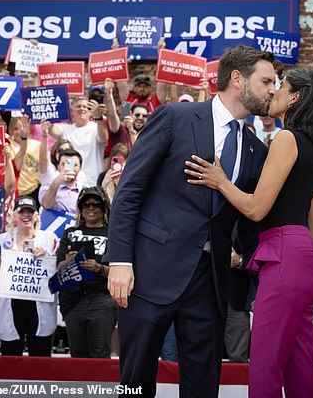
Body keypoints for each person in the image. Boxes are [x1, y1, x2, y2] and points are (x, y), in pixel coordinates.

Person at [105, 45, 274, 398]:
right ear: (238, 79)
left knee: (202, 386)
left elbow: (247, 223)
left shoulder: (257, 150)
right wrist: (120, 261)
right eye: (267, 81)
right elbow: (129, 192)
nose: (273, 89)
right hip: (149, 274)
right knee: (135, 382)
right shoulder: (174, 117)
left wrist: (260, 268)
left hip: (210, 283)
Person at [185, 67, 313, 397]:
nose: (273, 92)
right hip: (308, 261)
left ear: (295, 97)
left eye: (280, 86)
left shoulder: (286, 138)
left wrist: (221, 181)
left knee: (265, 366)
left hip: (283, 257)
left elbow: (255, 209)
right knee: (300, 368)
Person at [0, 196, 58, 356]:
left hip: (39, 305)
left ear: (37, 214)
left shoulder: (49, 239)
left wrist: (46, 256)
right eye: (22, 211)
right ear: (14, 214)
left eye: (30, 211)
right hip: (11, 304)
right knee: (10, 356)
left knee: (40, 356)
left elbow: (58, 268)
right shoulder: (2, 240)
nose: (26, 215)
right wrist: (11, 260)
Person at [57, 186, 117, 358]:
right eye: (86, 204)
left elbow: (121, 270)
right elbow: (58, 268)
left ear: (104, 206)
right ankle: (79, 387)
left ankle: (100, 387)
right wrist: (69, 262)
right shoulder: (70, 233)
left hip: (102, 299)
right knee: (77, 355)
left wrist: (98, 268)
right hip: (73, 299)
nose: (91, 207)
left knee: (100, 354)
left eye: (96, 203)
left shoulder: (113, 233)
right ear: (80, 208)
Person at [49, 96, 108, 187]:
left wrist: (99, 117)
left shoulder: (96, 127)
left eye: (85, 107)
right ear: (72, 111)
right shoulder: (66, 129)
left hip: (93, 181)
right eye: (79, 106)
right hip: (72, 183)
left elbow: (104, 138)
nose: (82, 109)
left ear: (90, 112)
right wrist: (48, 116)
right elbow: (52, 130)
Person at [38, 148, 85, 216]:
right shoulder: (49, 185)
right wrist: (57, 181)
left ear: (80, 168)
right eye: (64, 164)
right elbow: (46, 205)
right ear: (58, 167)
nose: (69, 168)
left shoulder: (83, 191)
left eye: (74, 165)